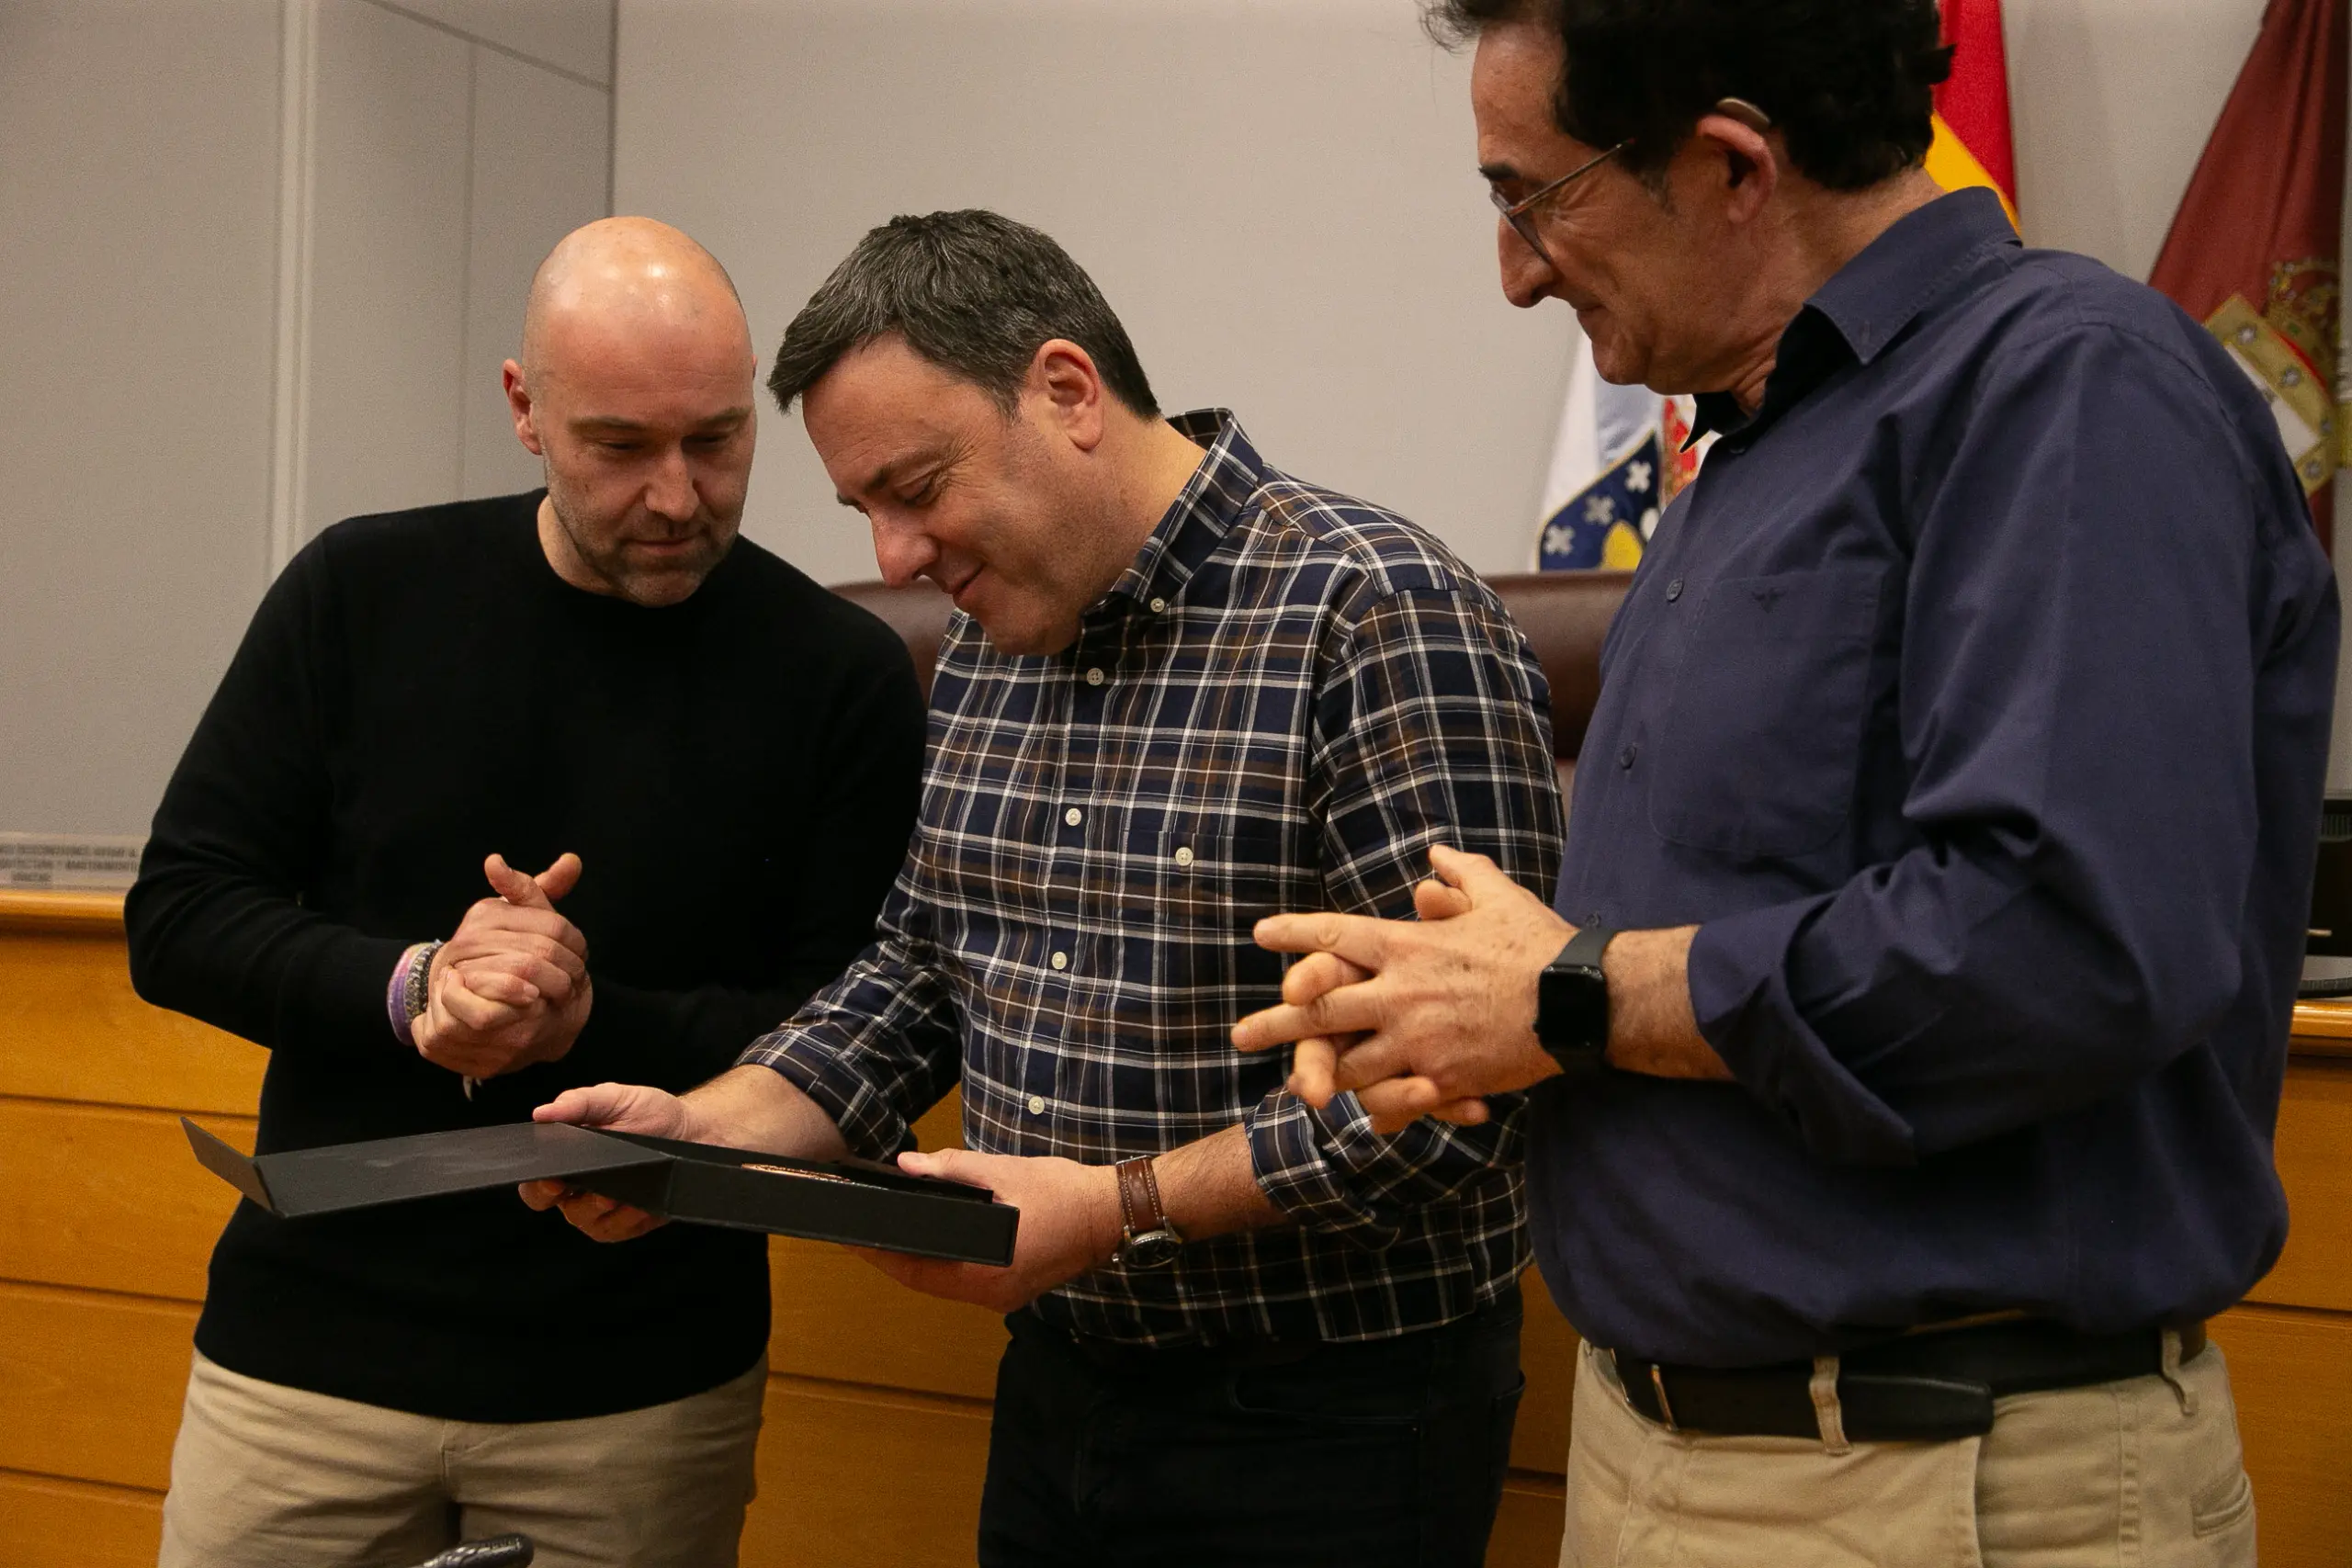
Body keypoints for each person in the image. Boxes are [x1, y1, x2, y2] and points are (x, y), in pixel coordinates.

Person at [1229, 4, 2338, 1564]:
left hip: (1941, 1478)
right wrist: (1468, 999)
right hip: (1671, 1456)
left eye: (1533, 197)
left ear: (1733, 165)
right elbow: (1741, 936)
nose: (1517, 272)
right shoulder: (1750, 449)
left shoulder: (2070, 385)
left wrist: (1570, 993)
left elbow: (2064, 939)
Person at [526, 209, 1566, 1568]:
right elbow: (917, 975)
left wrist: (1117, 1206)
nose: (895, 558)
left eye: (916, 488)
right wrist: (703, 1127)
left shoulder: (1375, 613)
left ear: (1067, 391)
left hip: (1330, 1419)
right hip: (1059, 1384)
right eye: (864, 512)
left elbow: (1453, 1095)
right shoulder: (990, 636)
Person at [127, 217, 926, 1568]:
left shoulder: (838, 674)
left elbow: (860, 1025)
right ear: (524, 410)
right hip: (309, 1357)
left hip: (639, 1385)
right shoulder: (360, 591)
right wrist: (418, 985)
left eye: (718, 439)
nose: (676, 496)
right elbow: (182, 913)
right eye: (619, 445)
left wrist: (584, 1017)